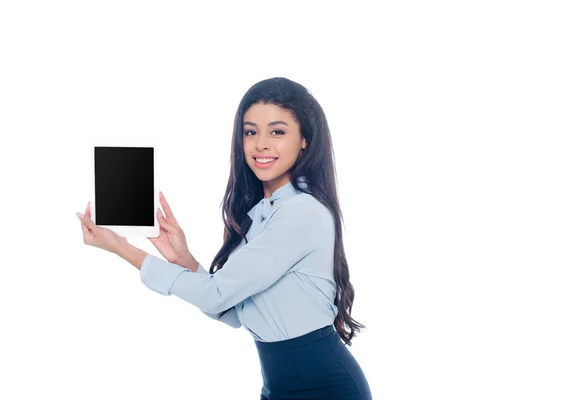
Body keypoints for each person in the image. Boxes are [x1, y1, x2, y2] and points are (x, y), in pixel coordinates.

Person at [76, 77, 372, 399]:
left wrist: (120, 247)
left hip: (327, 390)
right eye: (250, 132)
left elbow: (216, 295)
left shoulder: (301, 213)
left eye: (277, 131)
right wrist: (182, 259)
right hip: (278, 388)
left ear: (304, 139)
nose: (261, 144)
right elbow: (231, 311)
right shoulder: (265, 213)